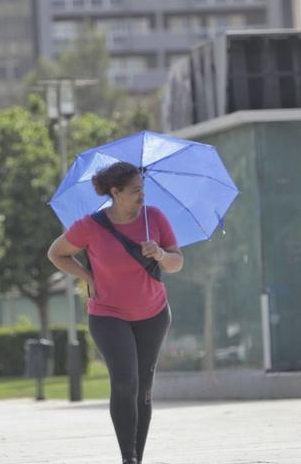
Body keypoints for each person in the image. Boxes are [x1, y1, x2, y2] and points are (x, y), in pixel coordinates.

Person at [47, 161, 183, 464]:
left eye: (142, 190)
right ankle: (127, 458)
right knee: (125, 382)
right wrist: (88, 277)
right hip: (108, 314)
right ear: (115, 192)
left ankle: (138, 457)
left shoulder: (154, 218)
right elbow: (56, 253)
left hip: (154, 313)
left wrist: (160, 254)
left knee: (143, 390)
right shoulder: (90, 226)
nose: (141, 197)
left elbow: (177, 262)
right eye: (135, 191)